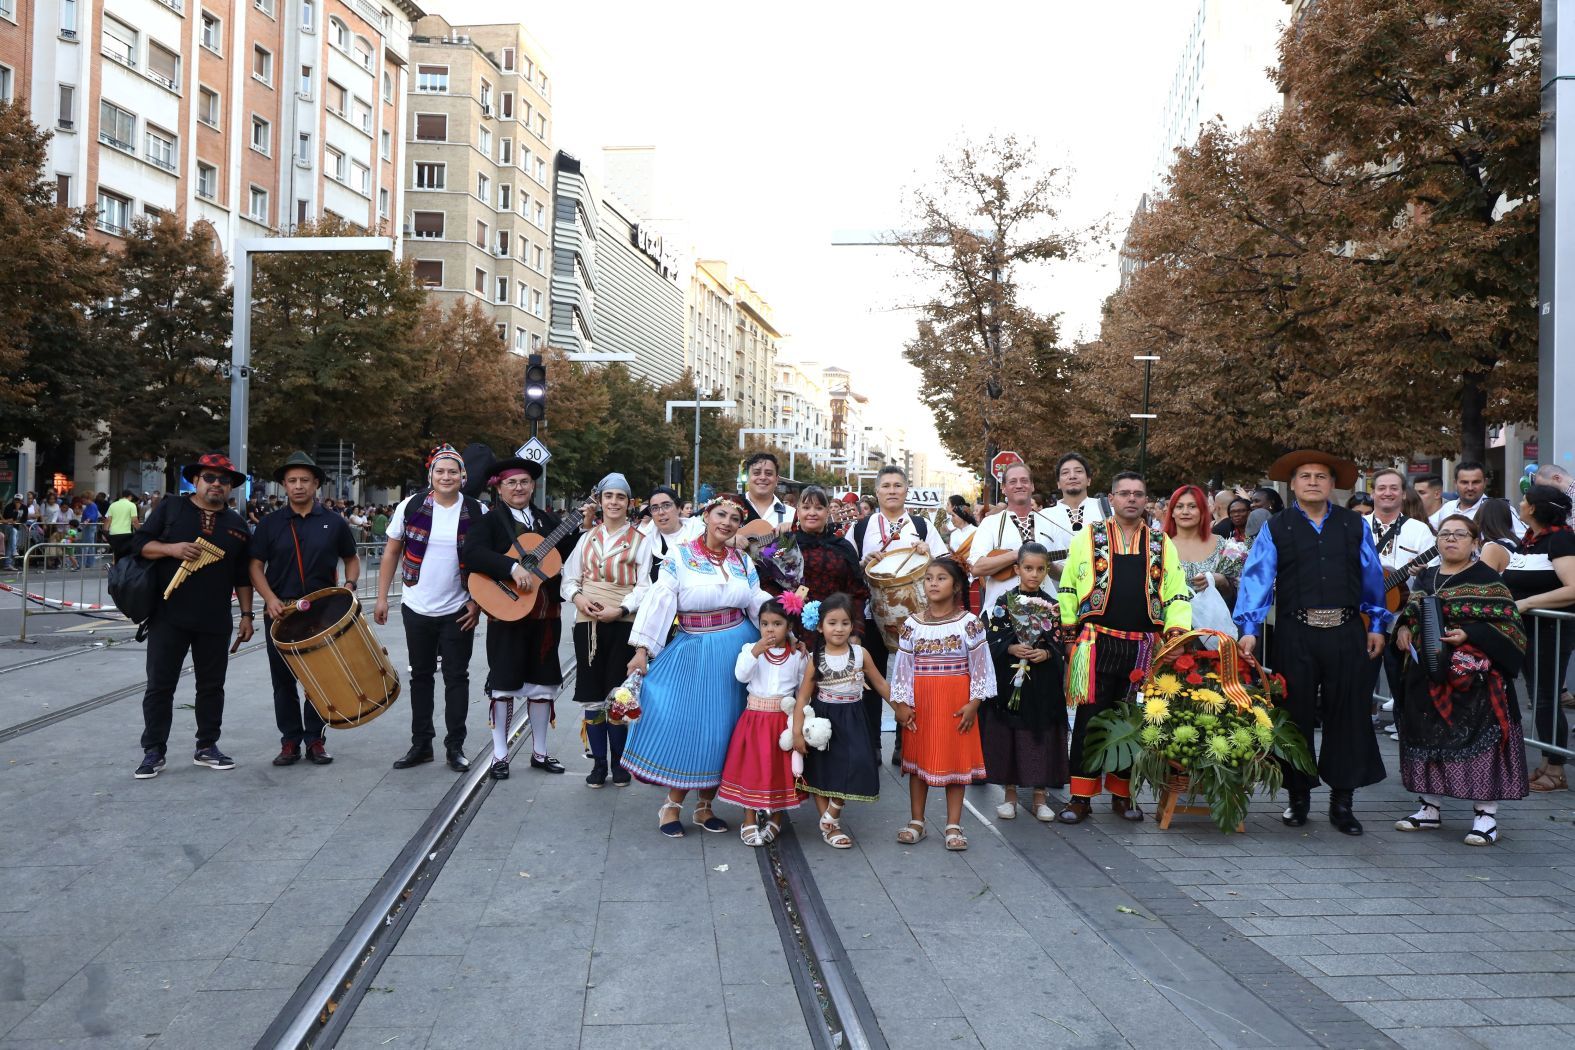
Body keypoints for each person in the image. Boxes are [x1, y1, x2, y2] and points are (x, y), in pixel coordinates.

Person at [1235, 450, 1389, 834]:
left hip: (1347, 631)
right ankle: (1297, 798)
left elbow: (1371, 576)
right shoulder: (1277, 526)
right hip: (1295, 633)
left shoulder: (1354, 525)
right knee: (1295, 714)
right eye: (1305, 476)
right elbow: (1257, 578)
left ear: (1332, 483)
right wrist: (1249, 628)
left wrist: (1377, 624)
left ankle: (1343, 803)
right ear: (1293, 484)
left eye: (1321, 476)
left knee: (1348, 715)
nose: (1313, 482)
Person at [621, 494, 773, 836]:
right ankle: (672, 804)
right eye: (721, 514)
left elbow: (756, 601)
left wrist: (784, 615)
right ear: (706, 515)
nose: (727, 523)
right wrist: (642, 650)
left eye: (734, 519)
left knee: (725, 730)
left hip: (737, 651)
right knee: (689, 725)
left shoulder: (743, 562)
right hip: (696, 651)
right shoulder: (680, 555)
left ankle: (705, 806)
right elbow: (661, 600)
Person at [1058, 472, 1192, 824]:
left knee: (1131, 722)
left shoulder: (1162, 543)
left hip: (1142, 648)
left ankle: (1122, 795)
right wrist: (1070, 635)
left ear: (1146, 500)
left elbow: (1177, 593)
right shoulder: (1089, 537)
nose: (1131, 499)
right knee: (1089, 719)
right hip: (1096, 641)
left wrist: (1177, 634)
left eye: (1138, 494)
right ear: (1112, 498)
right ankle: (1080, 797)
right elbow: (1069, 587)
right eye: (1124, 493)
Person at [1392, 514, 1528, 844]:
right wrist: (1405, 628)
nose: (1451, 540)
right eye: (1445, 534)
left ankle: (1485, 817)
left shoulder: (1487, 579)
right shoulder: (1427, 577)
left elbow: (1510, 628)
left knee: (1482, 743)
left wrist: (1469, 632)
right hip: (1428, 674)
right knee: (1427, 737)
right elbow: (1411, 612)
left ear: (1474, 543)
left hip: (1476, 681)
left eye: (1460, 535)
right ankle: (1429, 808)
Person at [131, 453, 255, 779]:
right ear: (196, 481)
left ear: (231, 487)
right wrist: (172, 549)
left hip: (215, 619)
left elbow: (242, 576)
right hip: (167, 615)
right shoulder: (172, 508)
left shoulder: (238, 526)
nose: (216, 484)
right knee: (160, 686)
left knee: (212, 686)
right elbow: (139, 544)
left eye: (223, 480)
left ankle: (206, 745)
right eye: (210, 478)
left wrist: (246, 615)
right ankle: (153, 750)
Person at [461, 455, 582, 781]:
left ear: (533, 486)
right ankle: (500, 754)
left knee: (543, 685)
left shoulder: (547, 520)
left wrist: (580, 526)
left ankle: (539, 752)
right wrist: (511, 568)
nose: (518, 487)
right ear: (499, 488)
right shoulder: (489, 522)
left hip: (545, 616)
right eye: (511, 482)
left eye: (524, 482)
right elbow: (471, 554)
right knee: (503, 684)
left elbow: (567, 554)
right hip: (507, 615)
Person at [374, 444, 483, 774]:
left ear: (462, 477)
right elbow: (392, 552)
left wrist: (478, 602)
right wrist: (382, 597)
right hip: (416, 605)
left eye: (453, 471)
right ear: (431, 475)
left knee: (456, 677)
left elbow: (488, 563)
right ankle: (421, 744)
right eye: (440, 471)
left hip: (458, 608)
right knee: (420, 676)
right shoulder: (411, 506)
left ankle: (455, 746)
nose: (446, 476)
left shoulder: (478, 511)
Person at [249, 451, 359, 767]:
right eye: (292, 480)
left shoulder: (333, 522)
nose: (298, 486)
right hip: (281, 612)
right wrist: (268, 598)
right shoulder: (270, 524)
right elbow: (255, 565)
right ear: (284, 485)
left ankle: (315, 739)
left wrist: (349, 587)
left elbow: (351, 558)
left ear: (316, 485)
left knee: (320, 677)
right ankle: (289, 741)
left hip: (321, 613)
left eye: (305, 481)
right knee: (282, 681)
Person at [889, 559, 995, 851]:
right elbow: (902, 668)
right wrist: (901, 704)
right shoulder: (912, 624)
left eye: (941, 578)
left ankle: (953, 824)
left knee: (955, 760)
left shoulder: (969, 624)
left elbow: (981, 667)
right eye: (928, 578)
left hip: (955, 702)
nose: (933, 583)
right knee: (918, 761)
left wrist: (974, 703)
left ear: (957, 586)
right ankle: (917, 821)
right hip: (921, 702)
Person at [1479, 484, 1575, 792]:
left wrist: (1530, 603)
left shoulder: (1561, 539)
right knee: (1540, 697)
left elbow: (1572, 587)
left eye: (1524, 500)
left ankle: (1557, 769)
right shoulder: (1532, 541)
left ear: (1533, 508)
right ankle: (1548, 762)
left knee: (1547, 697)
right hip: (1530, 632)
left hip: (1550, 632)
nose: (1519, 504)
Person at [852, 465, 949, 765]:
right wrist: (862, 562)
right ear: (877, 491)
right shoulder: (861, 527)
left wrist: (929, 555)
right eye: (886, 486)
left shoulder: (921, 526)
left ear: (907, 491)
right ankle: (871, 744)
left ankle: (905, 740)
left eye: (898, 486)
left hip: (917, 618)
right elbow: (848, 570)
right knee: (871, 676)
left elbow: (946, 568)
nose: (892, 491)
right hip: (871, 614)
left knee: (910, 679)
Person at [562, 472, 652, 788]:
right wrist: (579, 598)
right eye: (608, 497)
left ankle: (620, 763)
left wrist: (622, 608)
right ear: (600, 501)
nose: (614, 502)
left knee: (619, 693)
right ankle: (599, 763)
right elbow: (569, 578)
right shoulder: (586, 539)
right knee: (591, 694)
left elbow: (644, 587)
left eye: (620, 497)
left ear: (629, 503)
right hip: (587, 624)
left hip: (623, 622)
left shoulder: (641, 540)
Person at [796, 593, 894, 848]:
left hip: (853, 716)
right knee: (822, 768)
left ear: (853, 625)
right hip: (823, 718)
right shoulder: (814, 659)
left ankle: (834, 808)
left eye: (845, 623)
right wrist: (797, 732)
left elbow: (881, 683)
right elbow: (803, 696)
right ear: (820, 626)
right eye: (832, 622)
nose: (839, 628)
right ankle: (830, 826)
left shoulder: (861, 654)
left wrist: (901, 709)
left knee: (859, 761)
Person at [982, 544, 1067, 822]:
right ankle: (1010, 796)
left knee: (1039, 734)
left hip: (1041, 684)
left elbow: (1059, 640)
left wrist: (1046, 652)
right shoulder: (1004, 602)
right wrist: (1009, 648)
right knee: (1011, 735)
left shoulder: (1052, 606)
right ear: (1017, 569)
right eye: (1028, 568)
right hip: (1011, 680)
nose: (1034, 574)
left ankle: (1040, 797)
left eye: (1040, 569)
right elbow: (992, 637)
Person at [721, 600, 808, 845]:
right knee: (752, 768)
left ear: (789, 626)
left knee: (779, 771)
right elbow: (741, 676)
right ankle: (749, 819)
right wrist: (755, 651)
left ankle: (776, 818)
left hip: (782, 722)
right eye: (765, 624)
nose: (770, 630)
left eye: (777, 624)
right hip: (754, 719)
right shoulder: (750, 649)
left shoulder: (797, 656)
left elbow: (803, 689)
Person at [1367, 468, 1439, 724]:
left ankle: (1408, 746)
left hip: (1400, 622)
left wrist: (1422, 573)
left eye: (1394, 488)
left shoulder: (1419, 530)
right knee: (1359, 688)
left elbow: (1435, 573)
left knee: (1402, 686)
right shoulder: (1357, 526)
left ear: (1403, 493)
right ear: (1372, 491)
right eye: (1382, 488)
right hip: (1361, 620)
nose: (1387, 493)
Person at [969, 463, 1063, 613]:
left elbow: (1064, 573)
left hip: (1046, 612)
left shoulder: (1050, 523)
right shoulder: (990, 523)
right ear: (1004, 488)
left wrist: (1044, 563)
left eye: (1024, 481)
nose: (1019, 485)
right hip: (1000, 613)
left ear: (1032, 486)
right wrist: (1016, 555)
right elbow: (976, 567)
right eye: (1013, 481)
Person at [1164, 485, 1243, 638]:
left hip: (1214, 634)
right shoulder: (1157, 546)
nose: (1185, 511)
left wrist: (1220, 580)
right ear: (1172, 512)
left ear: (1202, 511)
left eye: (1192, 506)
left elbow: (1236, 597)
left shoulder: (1224, 546)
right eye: (1179, 506)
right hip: (1170, 635)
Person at [793, 487, 868, 610]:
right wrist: (788, 600)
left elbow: (857, 595)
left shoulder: (844, 547)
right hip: (792, 623)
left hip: (836, 624)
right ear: (798, 511)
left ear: (827, 512)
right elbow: (766, 583)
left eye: (819, 508)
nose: (812, 513)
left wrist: (854, 627)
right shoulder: (784, 545)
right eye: (806, 508)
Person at [1041, 453, 1107, 571]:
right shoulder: (1044, 516)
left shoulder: (1106, 510)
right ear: (1058, 484)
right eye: (1065, 473)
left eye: (1078, 471)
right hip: (1055, 587)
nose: (1072, 476)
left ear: (1089, 480)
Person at [1430, 460, 1526, 537]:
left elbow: (1524, 540)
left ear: (1485, 482)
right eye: (1464, 482)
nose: (1470, 488)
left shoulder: (1501, 509)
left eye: (1476, 482)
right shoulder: (1447, 508)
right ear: (1455, 483)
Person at [637, 485, 703, 583]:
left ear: (678, 508)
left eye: (666, 505)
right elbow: (643, 584)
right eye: (655, 508)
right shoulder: (647, 543)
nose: (661, 512)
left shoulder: (699, 534)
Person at [740, 452, 795, 533]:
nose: (762, 477)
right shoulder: (730, 508)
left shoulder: (792, 515)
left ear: (776, 480)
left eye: (768, 474)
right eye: (756, 473)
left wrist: (795, 531)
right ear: (747, 478)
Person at [106, 489, 140, 563]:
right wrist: (139, 530)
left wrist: (105, 532)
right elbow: (134, 521)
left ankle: (114, 565)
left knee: (116, 551)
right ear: (130, 496)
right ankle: (123, 568)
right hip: (126, 533)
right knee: (126, 552)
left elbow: (108, 520)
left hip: (113, 533)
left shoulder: (113, 505)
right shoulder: (132, 505)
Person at [78, 494, 101, 568]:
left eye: (84, 499)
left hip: (89, 526)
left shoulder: (92, 506)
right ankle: (88, 563)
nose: (83, 501)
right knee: (89, 545)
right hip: (89, 526)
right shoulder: (90, 506)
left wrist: (87, 520)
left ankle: (84, 563)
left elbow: (93, 515)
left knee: (87, 545)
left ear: (88, 499)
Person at [1, 496, 22, 569]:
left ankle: (8, 563)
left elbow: (18, 519)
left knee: (13, 534)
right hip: (4, 529)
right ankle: (13, 553)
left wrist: (8, 520)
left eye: (18, 501)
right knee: (13, 532)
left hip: (10, 529)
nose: (17, 502)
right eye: (15, 500)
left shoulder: (22, 508)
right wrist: (8, 520)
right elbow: (4, 521)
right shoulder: (8, 507)